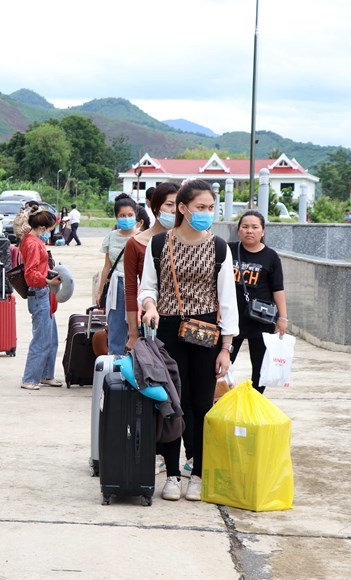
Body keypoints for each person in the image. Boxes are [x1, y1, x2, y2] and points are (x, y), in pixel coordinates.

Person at [139, 179, 238, 502]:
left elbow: (227, 301)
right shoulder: (158, 245)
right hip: (167, 330)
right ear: (182, 208)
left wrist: (226, 347)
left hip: (206, 332)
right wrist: (150, 305)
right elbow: (148, 287)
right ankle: (171, 474)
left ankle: (197, 472)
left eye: (210, 208)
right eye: (200, 208)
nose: (206, 213)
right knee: (171, 403)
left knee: (201, 404)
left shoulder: (220, 247)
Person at [230, 210, 288, 393]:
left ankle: (255, 406)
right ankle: (219, 403)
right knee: (222, 364)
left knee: (260, 370)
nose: (249, 231)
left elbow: (278, 289)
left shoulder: (271, 257)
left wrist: (283, 318)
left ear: (262, 232)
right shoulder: (229, 250)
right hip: (232, 319)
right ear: (238, 230)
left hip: (261, 320)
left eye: (255, 227)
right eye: (245, 226)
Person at [125, 183, 179, 352]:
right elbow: (131, 289)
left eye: (178, 205)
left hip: (186, 319)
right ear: (156, 208)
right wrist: (133, 333)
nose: (174, 210)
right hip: (152, 320)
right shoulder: (136, 243)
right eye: (169, 205)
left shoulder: (190, 242)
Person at [19, 209, 62, 390]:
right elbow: (31, 273)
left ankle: (46, 374)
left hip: (43, 293)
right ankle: (29, 378)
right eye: (49, 229)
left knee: (51, 338)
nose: (50, 233)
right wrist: (48, 280)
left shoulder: (30, 239)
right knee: (42, 338)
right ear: (43, 228)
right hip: (40, 291)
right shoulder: (34, 244)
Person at [96, 194, 139, 355]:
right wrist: (100, 291)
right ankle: (115, 366)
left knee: (138, 327)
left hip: (137, 285)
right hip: (116, 286)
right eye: (122, 215)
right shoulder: (111, 237)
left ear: (136, 216)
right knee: (116, 327)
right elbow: (107, 266)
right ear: (116, 217)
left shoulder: (143, 237)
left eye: (130, 215)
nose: (126, 218)